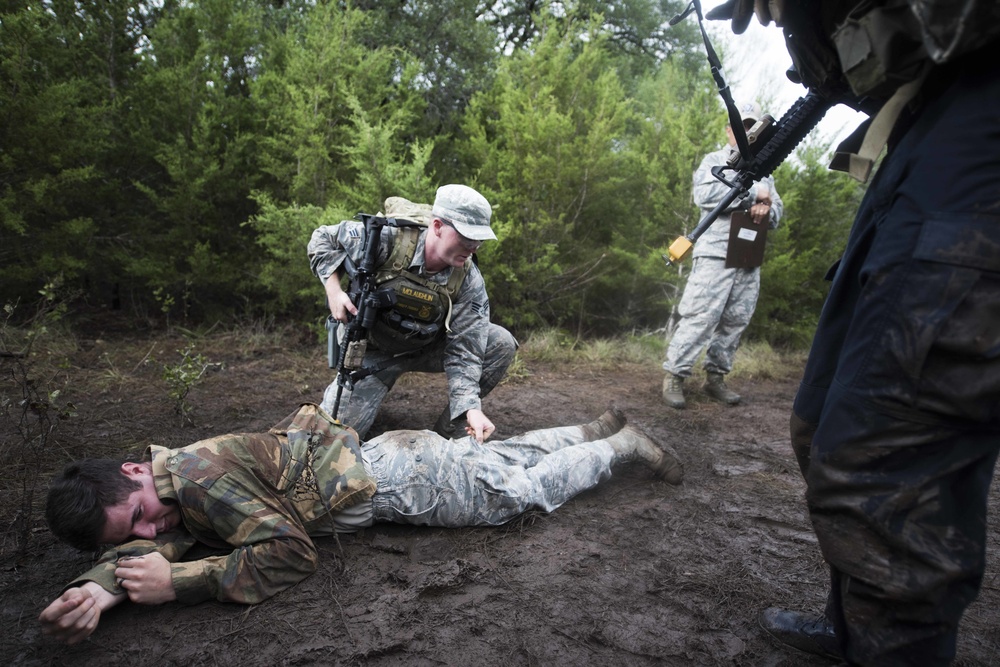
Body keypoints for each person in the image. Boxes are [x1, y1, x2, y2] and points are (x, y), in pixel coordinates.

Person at [705, 1, 1000, 664]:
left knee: (881, 461)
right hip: (918, 127)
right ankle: (855, 629)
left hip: (980, 128)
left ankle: (893, 643)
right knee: (821, 423)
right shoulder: (716, 160)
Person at [38, 403, 684, 645]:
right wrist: (105, 583)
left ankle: (616, 448)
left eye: (141, 517)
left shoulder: (200, 481)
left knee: (515, 495)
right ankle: (586, 429)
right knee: (493, 459)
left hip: (401, 483)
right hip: (388, 460)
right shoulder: (178, 477)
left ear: (134, 469)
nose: (151, 533)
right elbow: (185, 531)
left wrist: (180, 583)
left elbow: (290, 552)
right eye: (133, 538)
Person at [309, 184, 516, 441]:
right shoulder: (387, 238)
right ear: (438, 227)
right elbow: (323, 238)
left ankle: (450, 435)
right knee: (328, 443)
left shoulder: (468, 278)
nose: (473, 246)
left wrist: (470, 407)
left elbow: (467, 348)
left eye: (479, 239)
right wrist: (333, 290)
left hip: (425, 347)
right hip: (371, 354)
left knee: (500, 343)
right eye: (466, 236)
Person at [662, 102, 783, 409]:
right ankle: (675, 375)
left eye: (752, 126)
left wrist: (767, 209)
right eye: (740, 126)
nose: (746, 132)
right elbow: (705, 195)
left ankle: (715, 379)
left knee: (735, 321)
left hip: (747, 257)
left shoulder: (765, 170)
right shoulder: (715, 161)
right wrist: (753, 195)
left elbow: (778, 212)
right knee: (701, 316)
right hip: (716, 255)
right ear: (729, 130)